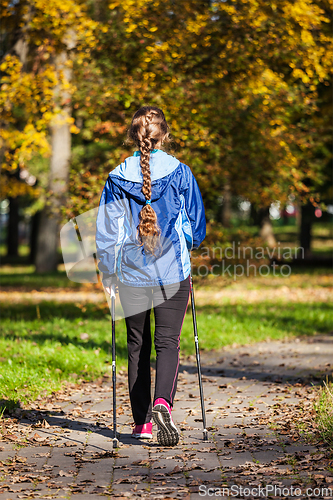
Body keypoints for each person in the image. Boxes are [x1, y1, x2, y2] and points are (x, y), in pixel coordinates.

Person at [96, 106, 206, 446]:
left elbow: (107, 231)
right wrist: (185, 243)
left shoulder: (116, 177)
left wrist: (108, 273)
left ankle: (142, 423)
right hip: (172, 269)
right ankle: (163, 403)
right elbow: (196, 226)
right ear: (165, 136)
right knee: (168, 342)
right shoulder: (181, 173)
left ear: (132, 137)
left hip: (130, 273)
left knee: (137, 346)